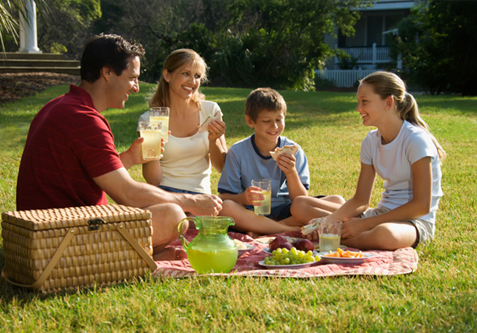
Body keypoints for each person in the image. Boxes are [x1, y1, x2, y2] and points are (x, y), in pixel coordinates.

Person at [16, 34, 223, 260]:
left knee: (165, 213)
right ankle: (131, 257)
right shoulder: (84, 120)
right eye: (132, 78)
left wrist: (131, 158)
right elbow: (128, 194)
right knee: (172, 215)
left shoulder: (60, 105)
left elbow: (88, 176)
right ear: (107, 73)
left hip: (43, 231)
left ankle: (142, 254)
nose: (135, 88)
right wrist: (192, 201)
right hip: (60, 236)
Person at [294, 71, 445, 250]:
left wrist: (364, 224)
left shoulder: (415, 140)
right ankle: (336, 233)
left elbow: (421, 206)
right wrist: (330, 220)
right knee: (300, 205)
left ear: (388, 102)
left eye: (365, 102)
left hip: (413, 222)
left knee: (385, 235)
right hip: (380, 215)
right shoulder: (371, 141)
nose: (358, 108)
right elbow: (360, 200)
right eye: (358, 102)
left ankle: (335, 237)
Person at [217, 87, 343, 235]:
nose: (274, 126)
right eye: (266, 121)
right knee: (226, 207)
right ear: (250, 121)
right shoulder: (237, 152)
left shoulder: (294, 151)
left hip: (286, 211)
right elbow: (224, 197)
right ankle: (288, 230)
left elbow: (301, 199)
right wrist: (243, 198)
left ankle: (265, 229)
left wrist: (291, 173)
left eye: (279, 119)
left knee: (337, 201)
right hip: (252, 212)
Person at [138, 49, 227, 197]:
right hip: (165, 195)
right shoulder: (151, 119)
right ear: (167, 75)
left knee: (193, 220)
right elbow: (153, 180)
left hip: (200, 195)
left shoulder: (210, 110)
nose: (192, 82)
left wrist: (214, 140)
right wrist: (153, 150)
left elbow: (221, 167)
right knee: (178, 217)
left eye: (197, 76)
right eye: (185, 73)